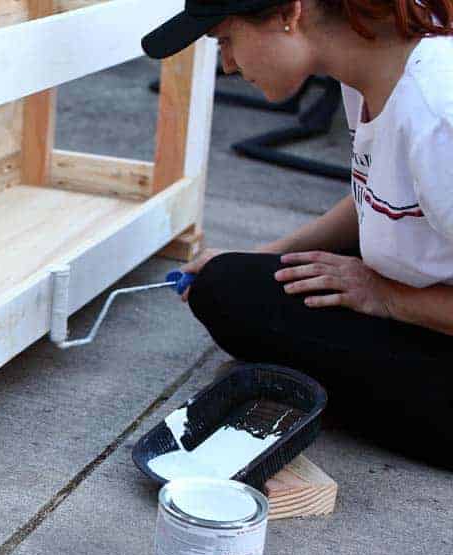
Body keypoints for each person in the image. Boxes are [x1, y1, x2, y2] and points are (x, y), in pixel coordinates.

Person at [142, 0, 453, 460]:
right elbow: (382, 188)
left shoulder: (438, 115)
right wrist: (267, 254)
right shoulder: (369, 69)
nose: (227, 64)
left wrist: (386, 297)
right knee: (232, 281)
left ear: (290, 13)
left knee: (229, 294)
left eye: (227, 40)